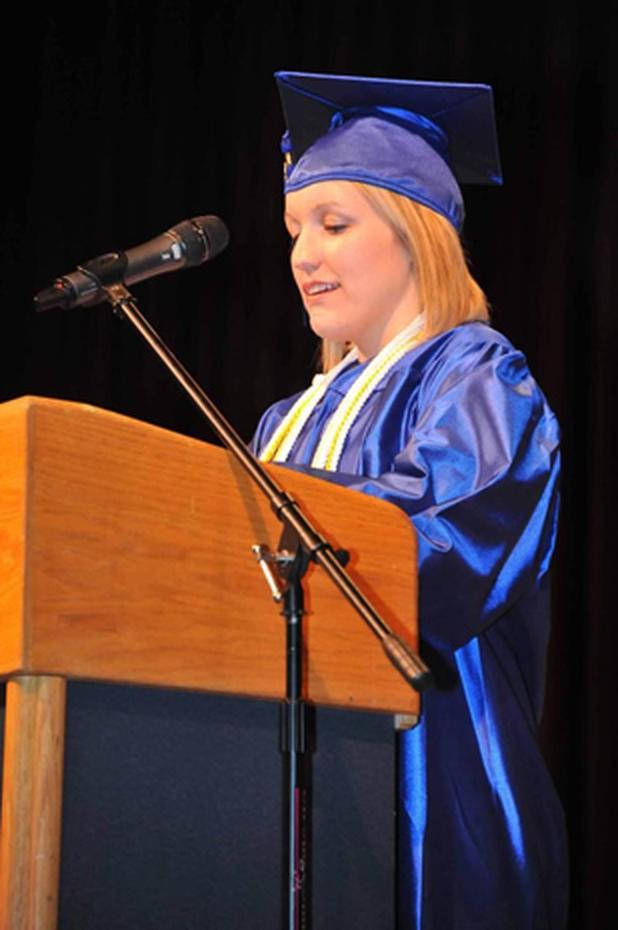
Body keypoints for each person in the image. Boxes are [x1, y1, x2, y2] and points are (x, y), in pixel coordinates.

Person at [252, 71, 569, 929]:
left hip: (440, 770)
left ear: (417, 234)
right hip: (281, 770)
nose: (303, 256)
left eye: (333, 224)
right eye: (294, 229)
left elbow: (441, 542)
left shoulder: (479, 375)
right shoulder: (285, 420)